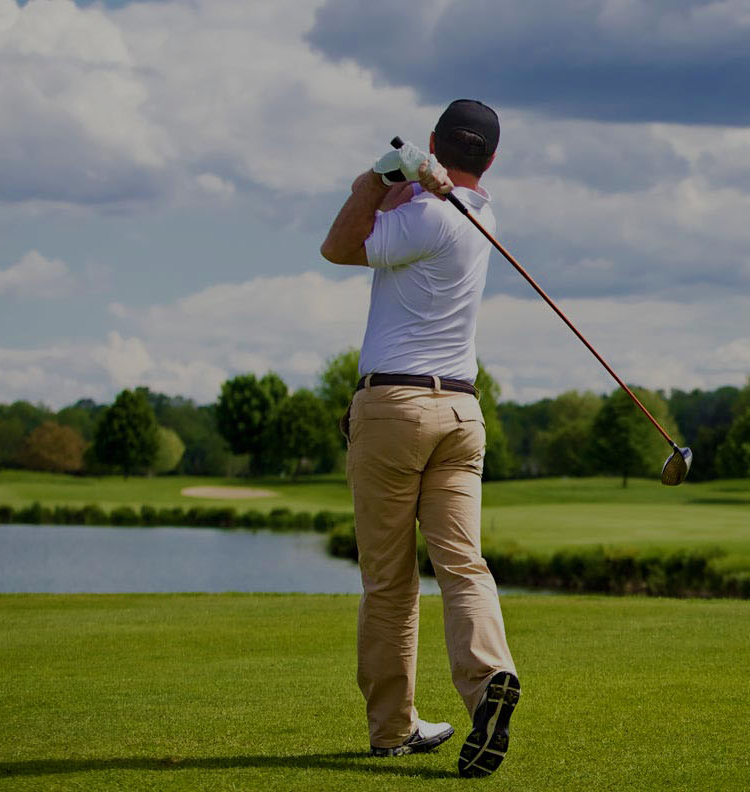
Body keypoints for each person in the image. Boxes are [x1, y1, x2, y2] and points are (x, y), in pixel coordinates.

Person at [320, 99, 519, 779]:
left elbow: (340, 244)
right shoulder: (482, 216)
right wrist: (418, 177)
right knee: (463, 565)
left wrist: (379, 174)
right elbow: (423, 199)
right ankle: (491, 676)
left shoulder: (425, 215)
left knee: (389, 581)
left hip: (393, 407)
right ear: (490, 159)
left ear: (435, 141)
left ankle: (393, 729)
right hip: (461, 416)